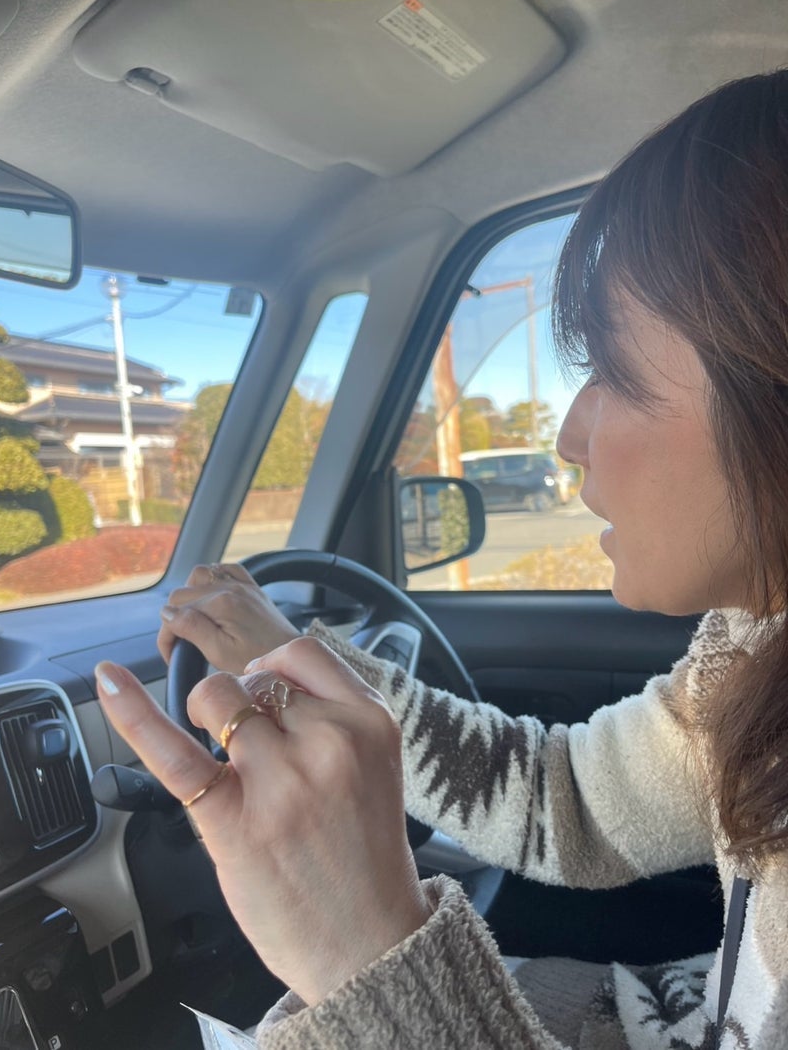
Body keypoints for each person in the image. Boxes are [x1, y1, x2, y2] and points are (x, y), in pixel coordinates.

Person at [94, 69, 788, 1049]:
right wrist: (308, 665)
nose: (568, 437)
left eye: (614, 371)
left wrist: (368, 958)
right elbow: (567, 802)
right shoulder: (751, 651)